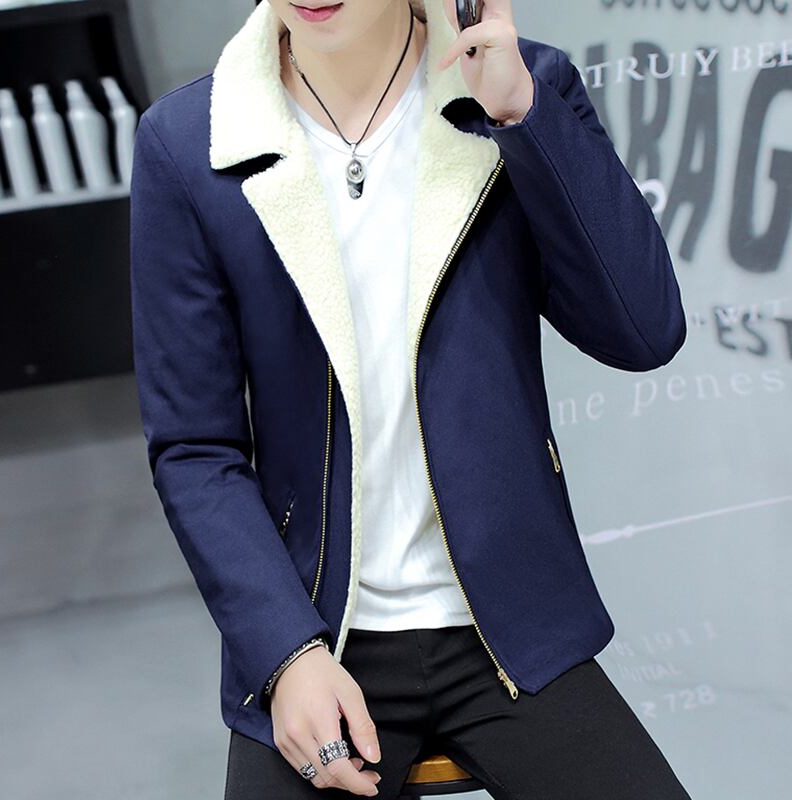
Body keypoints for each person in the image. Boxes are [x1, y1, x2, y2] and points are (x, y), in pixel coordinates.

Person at [129, 0, 693, 798]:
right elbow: (195, 447)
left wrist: (520, 116)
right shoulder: (192, 141)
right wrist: (284, 654)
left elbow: (644, 331)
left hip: (512, 623)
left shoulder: (518, 85)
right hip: (318, 631)